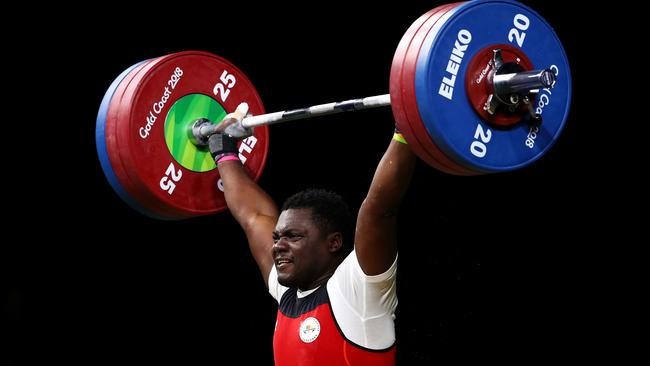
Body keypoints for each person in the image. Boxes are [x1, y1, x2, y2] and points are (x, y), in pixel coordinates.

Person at [208, 103, 416, 365]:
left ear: (334, 243)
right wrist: (222, 148)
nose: (278, 246)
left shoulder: (357, 290)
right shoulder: (286, 291)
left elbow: (379, 209)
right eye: (277, 237)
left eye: (293, 236)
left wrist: (407, 129)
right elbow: (253, 217)